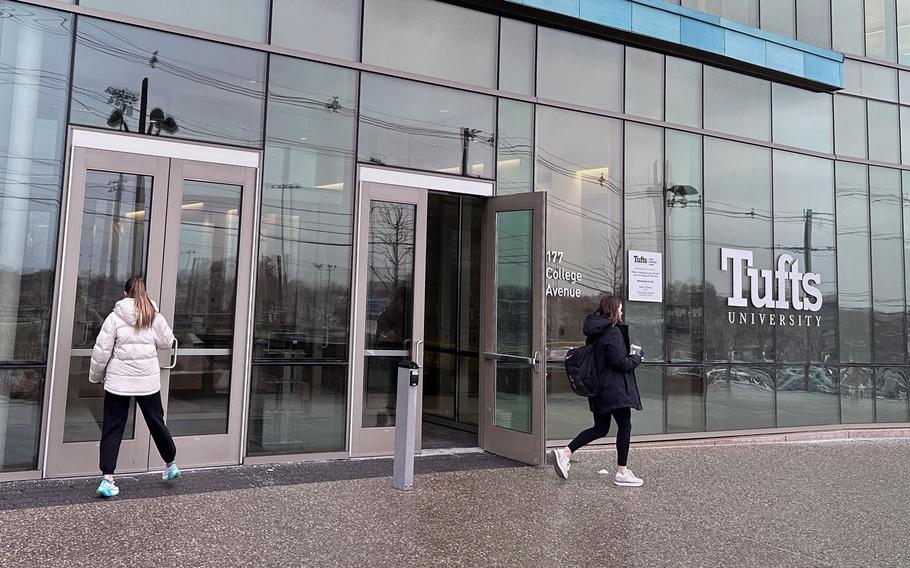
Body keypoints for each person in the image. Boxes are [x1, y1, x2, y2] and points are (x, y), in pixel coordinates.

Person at [88, 276, 181, 497]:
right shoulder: (153, 316)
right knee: (156, 422)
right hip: (147, 382)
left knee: (113, 427)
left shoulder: (114, 317)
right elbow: (167, 342)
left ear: (124, 294)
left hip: (118, 383)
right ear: (144, 292)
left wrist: (95, 376)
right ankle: (170, 464)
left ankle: (108, 480)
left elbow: (101, 352)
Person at [552, 295, 644, 487]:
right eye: (620, 308)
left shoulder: (595, 332)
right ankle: (622, 472)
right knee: (625, 427)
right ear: (613, 310)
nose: (622, 312)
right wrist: (637, 358)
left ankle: (565, 453)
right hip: (614, 389)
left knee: (601, 428)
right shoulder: (612, 332)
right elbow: (620, 362)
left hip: (598, 388)